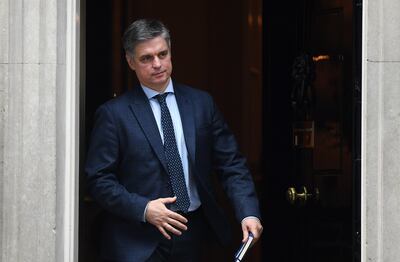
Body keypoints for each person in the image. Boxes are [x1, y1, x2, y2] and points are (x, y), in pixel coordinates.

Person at [85, 19, 263, 262]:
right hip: (136, 242)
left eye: (162, 54)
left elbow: (231, 164)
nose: (157, 64)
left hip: (194, 235)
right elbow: (98, 180)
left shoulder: (202, 104)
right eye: (146, 58)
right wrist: (144, 209)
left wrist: (248, 213)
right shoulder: (113, 114)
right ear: (130, 62)